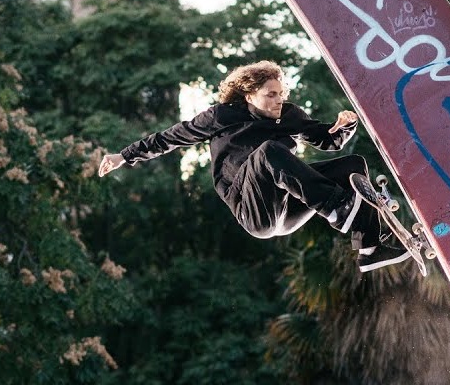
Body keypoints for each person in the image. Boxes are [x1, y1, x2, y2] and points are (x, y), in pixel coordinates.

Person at [98, 60, 409, 272]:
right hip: (252, 210)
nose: (278, 101)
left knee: (353, 166)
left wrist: (344, 126)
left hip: (287, 212)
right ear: (249, 95)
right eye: (270, 95)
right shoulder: (221, 116)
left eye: (281, 94)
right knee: (268, 152)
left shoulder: (290, 115)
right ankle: (337, 209)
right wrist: (123, 156)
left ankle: (370, 248)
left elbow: (328, 141)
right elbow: (171, 138)